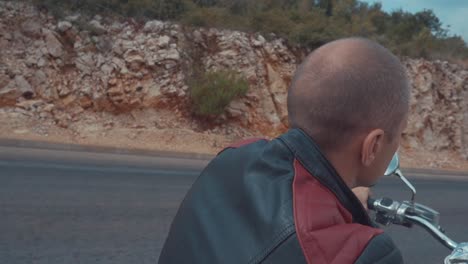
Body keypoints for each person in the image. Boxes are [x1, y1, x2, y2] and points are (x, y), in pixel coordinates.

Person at [158, 37, 409, 264]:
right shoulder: (365, 255)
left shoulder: (234, 156)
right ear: (373, 145)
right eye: (399, 134)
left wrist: (346, 201)